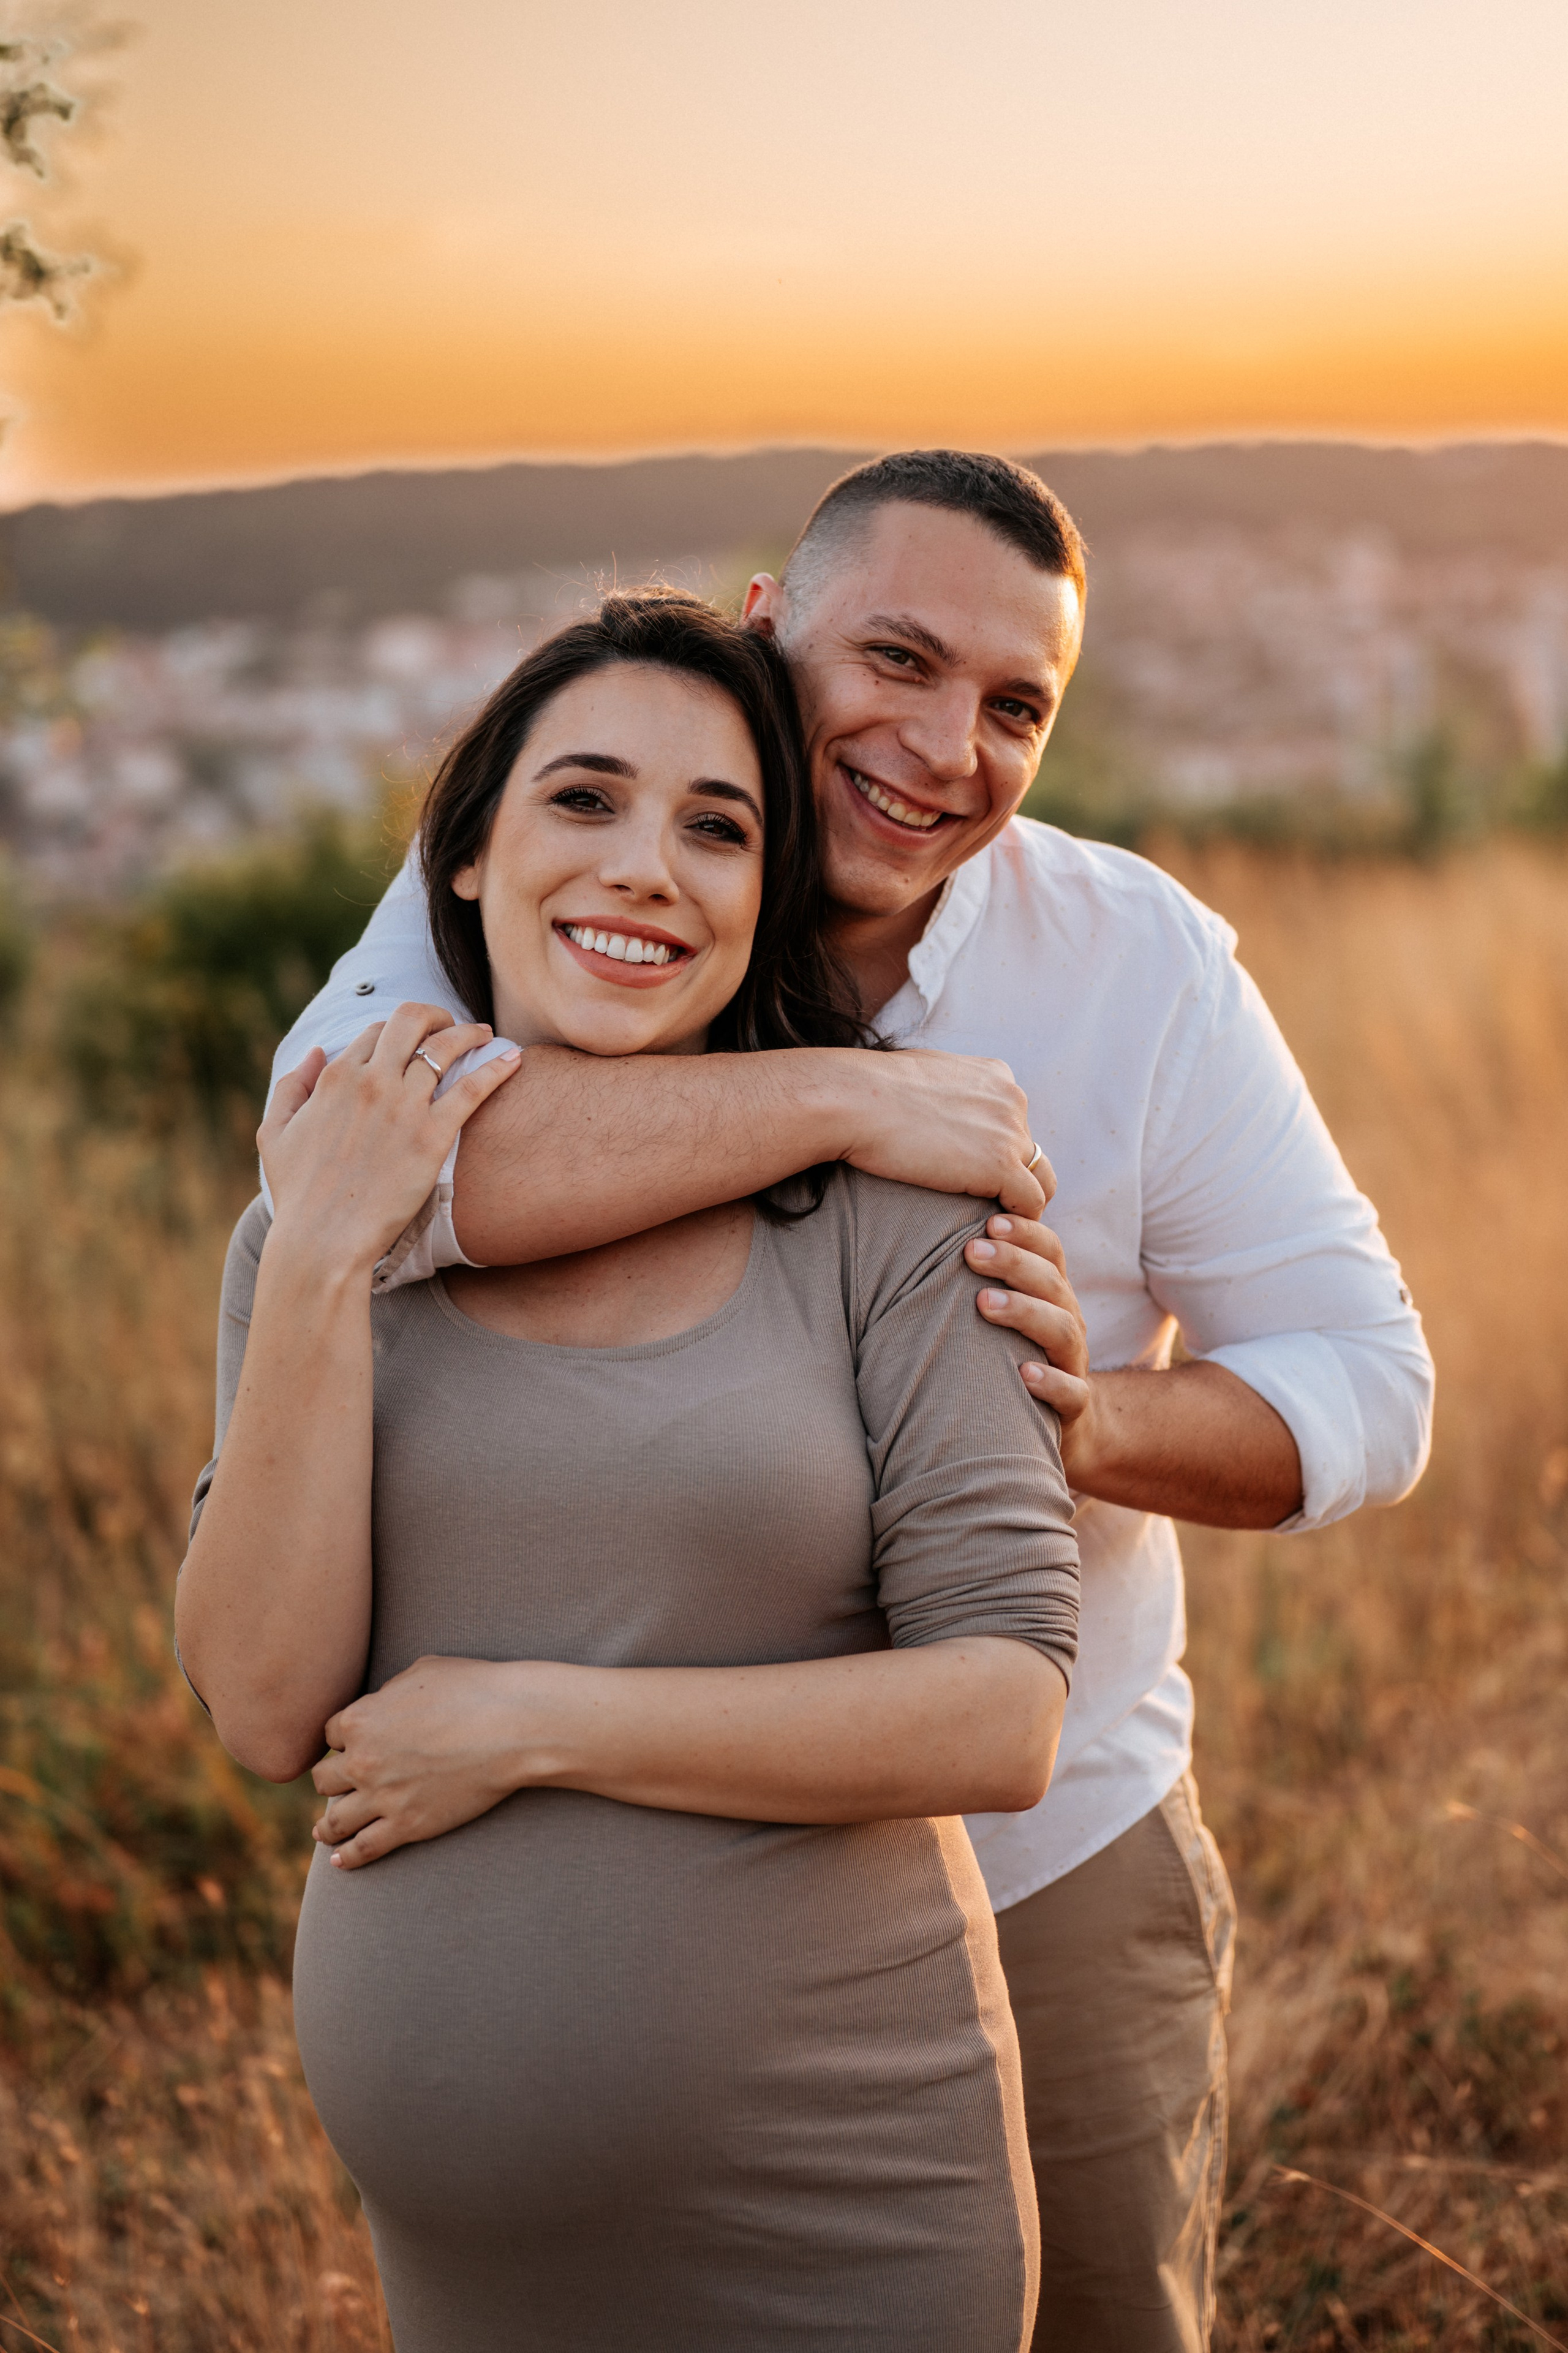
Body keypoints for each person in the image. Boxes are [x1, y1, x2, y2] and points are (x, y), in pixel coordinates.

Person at [273, 451, 1436, 2351]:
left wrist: (1093, 1424)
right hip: (601, 1869)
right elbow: (335, 1163)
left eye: (1013, 708)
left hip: (1041, 1855)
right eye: (892, 659)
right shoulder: (558, 870)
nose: (941, 747)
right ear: (764, 629)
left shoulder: (1137, 966)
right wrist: (850, 1096)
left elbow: (1374, 1386)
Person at [178, 591, 1082, 2353]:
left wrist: (536, 1718)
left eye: (718, 828)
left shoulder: (889, 1206)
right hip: (474, 2272)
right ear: (466, 856)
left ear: (765, 894)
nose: (647, 870)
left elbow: (1005, 1714)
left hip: (843, 2203)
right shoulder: (328, 1225)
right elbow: (264, 1703)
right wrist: (314, 1258)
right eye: (582, 800)